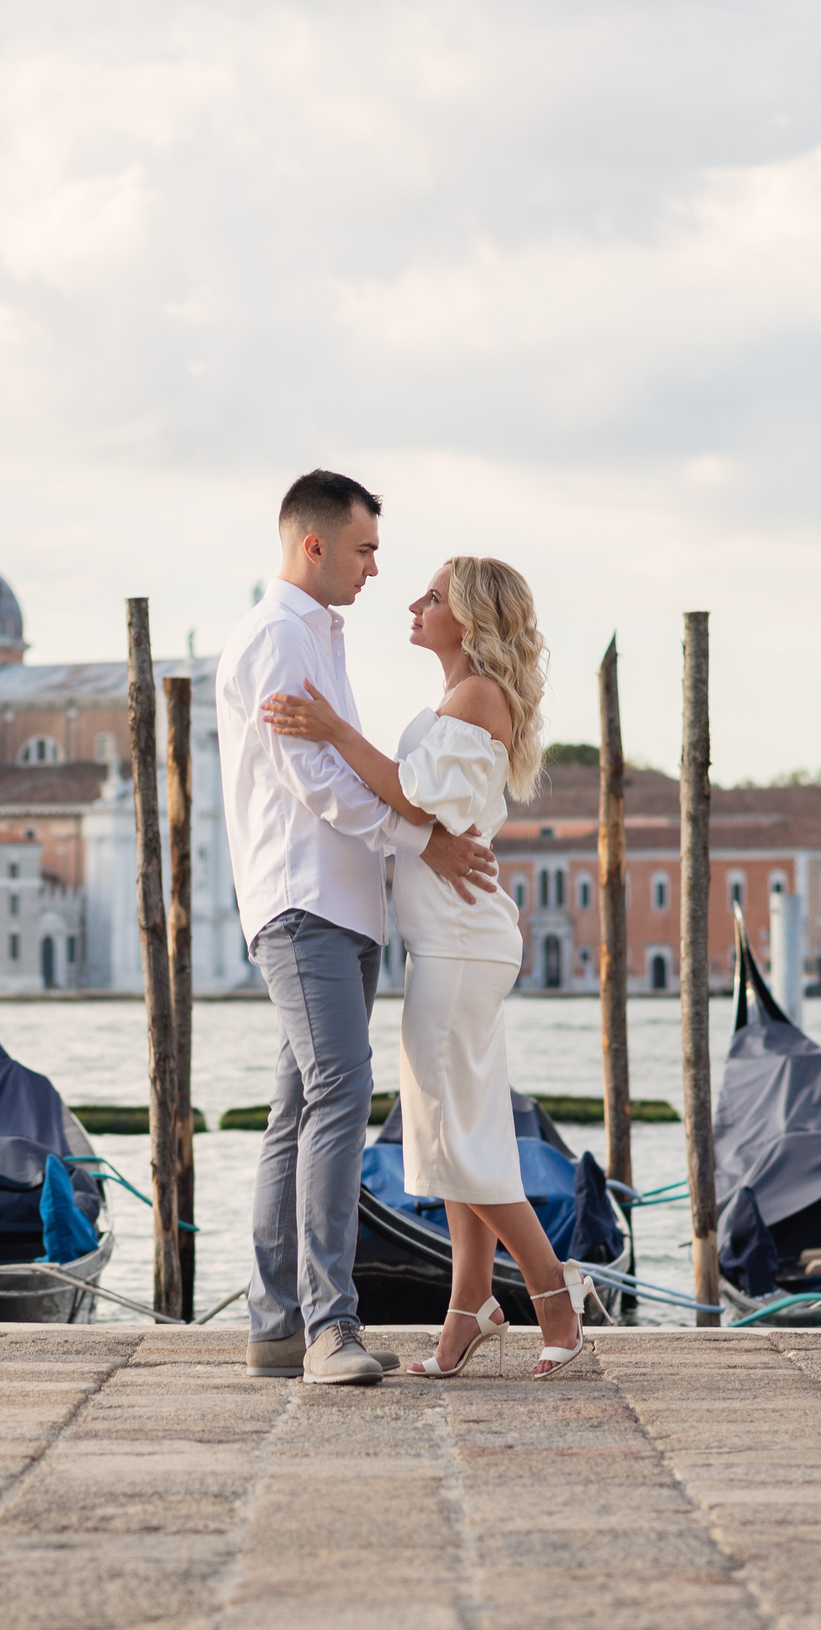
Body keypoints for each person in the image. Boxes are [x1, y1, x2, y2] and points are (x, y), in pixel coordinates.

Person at [260, 553, 592, 1378]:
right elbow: (421, 802)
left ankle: (556, 1296)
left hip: (458, 942)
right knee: (456, 1132)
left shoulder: (478, 695)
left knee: (451, 1134)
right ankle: (467, 1311)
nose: (414, 601)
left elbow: (414, 799)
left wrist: (334, 731)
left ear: (471, 621)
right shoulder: (461, 698)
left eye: (434, 596)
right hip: (453, 937)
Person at [218, 471, 499, 1386]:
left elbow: (341, 767)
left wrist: (410, 843)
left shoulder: (316, 638)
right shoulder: (280, 637)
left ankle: (276, 1329)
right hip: (304, 902)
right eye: (366, 548)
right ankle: (329, 1329)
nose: (377, 568)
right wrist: (426, 843)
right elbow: (319, 783)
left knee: (297, 1112)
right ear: (315, 545)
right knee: (341, 1092)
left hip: (339, 906)